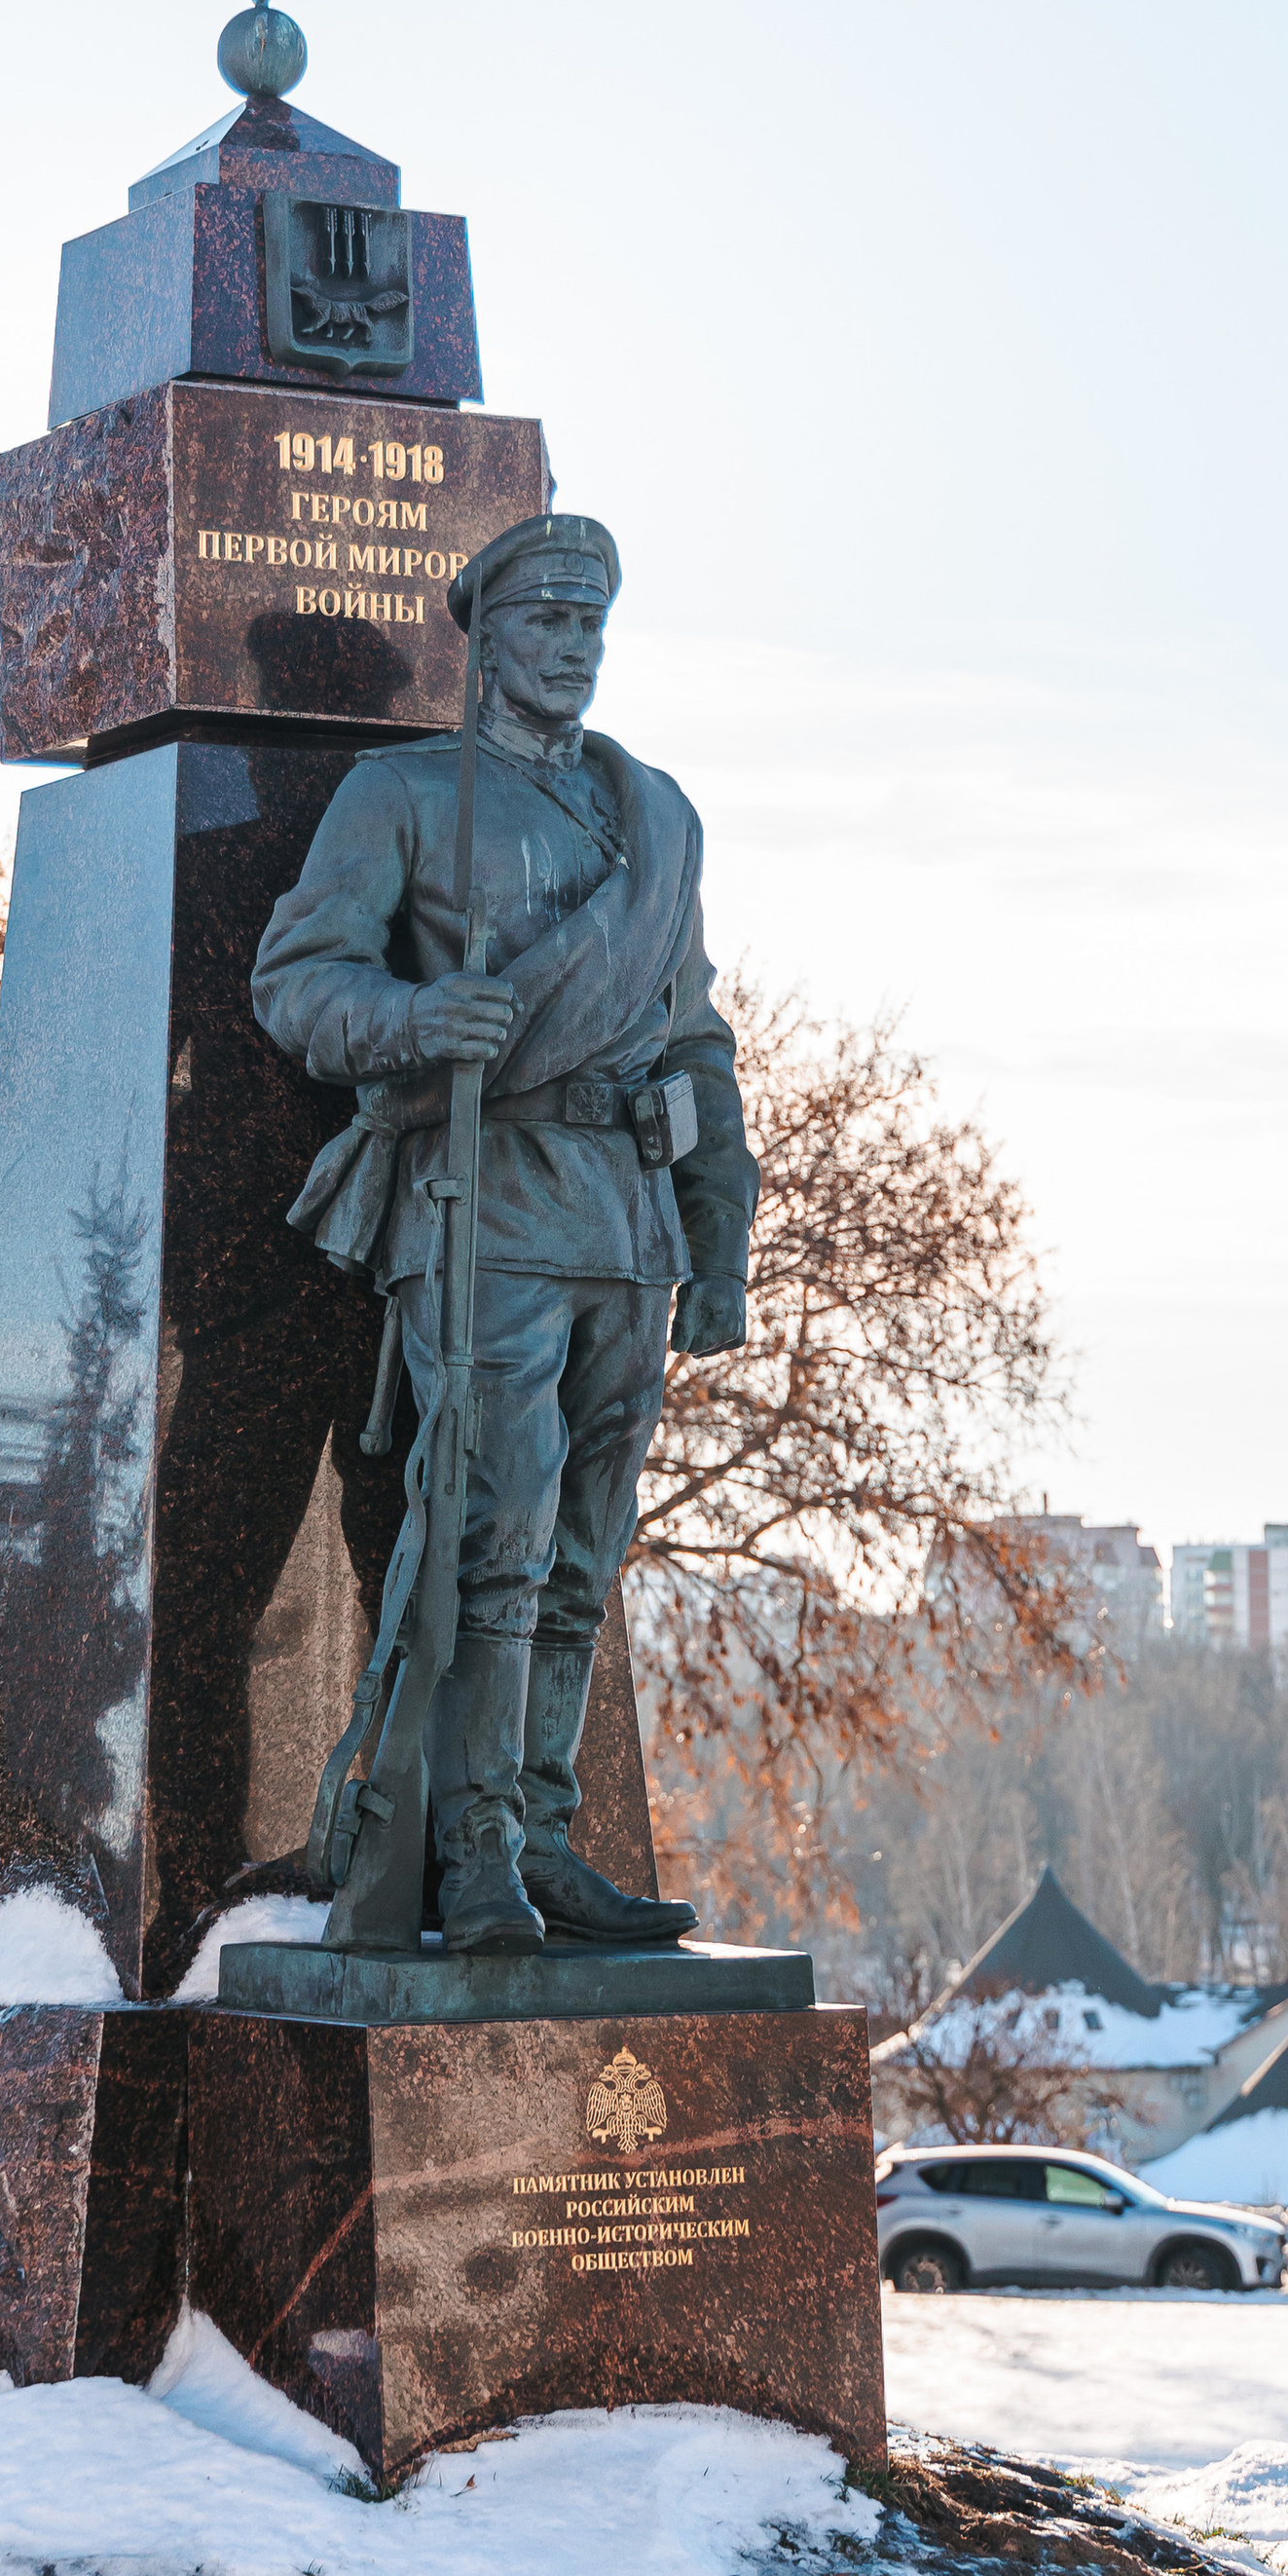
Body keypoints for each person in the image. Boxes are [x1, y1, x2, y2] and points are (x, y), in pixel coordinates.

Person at [250, 512, 754, 1950]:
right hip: (487, 1201)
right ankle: (465, 1854)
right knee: (496, 1534)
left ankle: (543, 1832)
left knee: (589, 1545)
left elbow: (697, 1039)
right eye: (548, 620)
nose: (576, 647)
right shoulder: (407, 797)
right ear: (486, 637)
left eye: (594, 622)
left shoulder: (653, 815)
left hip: (627, 1220)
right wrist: (412, 1019)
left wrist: (719, 1238)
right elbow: (295, 983)